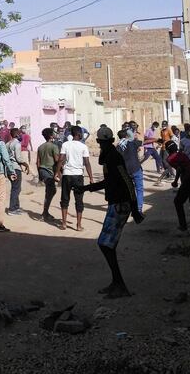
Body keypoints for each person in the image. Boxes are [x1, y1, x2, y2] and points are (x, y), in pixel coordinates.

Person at [82, 126, 144, 299]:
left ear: (103, 142)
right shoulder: (109, 156)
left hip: (120, 204)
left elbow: (128, 182)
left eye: (100, 143)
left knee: (105, 244)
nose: (100, 146)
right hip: (116, 203)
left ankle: (120, 285)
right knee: (108, 245)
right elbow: (108, 182)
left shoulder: (114, 157)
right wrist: (87, 188)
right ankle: (116, 283)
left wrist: (135, 210)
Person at [55, 125, 93, 231]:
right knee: (79, 200)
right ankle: (78, 225)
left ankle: (63, 224)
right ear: (79, 134)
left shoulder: (65, 144)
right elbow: (87, 163)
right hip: (78, 176)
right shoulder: (83, 147)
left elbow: (61, 160)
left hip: (67, 175)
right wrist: (91, 177)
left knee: (65, 199)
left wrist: (57, 172)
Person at [117, 127, 145, 212]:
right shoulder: (132, 143)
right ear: (126, 136)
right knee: (139, 189)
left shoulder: (118, 147)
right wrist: (156, 140)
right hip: (136, 169)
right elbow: (144, 142)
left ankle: (128, 207)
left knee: (128, 190)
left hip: (125, 171)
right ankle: (139, 209)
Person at [36, 128, 60, 223]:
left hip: (42, 170)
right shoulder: (54, 147)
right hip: (50, 171)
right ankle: (45, 213)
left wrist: (39, 174)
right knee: (51, 191)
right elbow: (57, 160)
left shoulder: (40, 147)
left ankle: (45, 212)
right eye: (53, 133)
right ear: (51, 136)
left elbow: (37, 162)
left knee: (50, 191)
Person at [6, 127, 30, 215]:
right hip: (15, 168)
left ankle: (16, 207)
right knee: (16, 188)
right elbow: (19, 158)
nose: (20, 135)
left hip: (9, 168)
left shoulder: (7, 144)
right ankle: (12, 209)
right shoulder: (17, 144)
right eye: (19, 133)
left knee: (16, 188)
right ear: (16, 134)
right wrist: (26, 164)